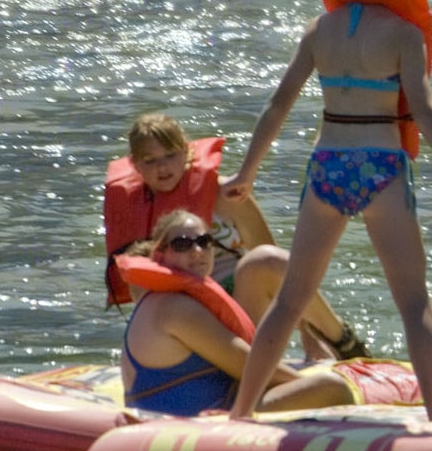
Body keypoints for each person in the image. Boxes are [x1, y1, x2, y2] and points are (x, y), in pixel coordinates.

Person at [222, 0, 432, 422]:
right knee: (414, 303)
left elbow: (278, 105)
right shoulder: (404, 34)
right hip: (381, 166)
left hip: (328, 167)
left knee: (292, 298)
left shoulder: (321, 29)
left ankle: (241, 414)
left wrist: (246, 173)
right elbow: (424, 111)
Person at [102, 112, 363, 362]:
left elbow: (280, 273)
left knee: (264, 261)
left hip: (238, 304)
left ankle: (340, 339)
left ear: (186, 152)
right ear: (135, 164)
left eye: (170, 155)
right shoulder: (130, 208)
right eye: (150, 160)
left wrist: (308, 333)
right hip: (180, 317)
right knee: (139, 275)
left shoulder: (227, 195)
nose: (162, 167)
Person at [118, 210, 364, 415]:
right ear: (159, 255)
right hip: (198, 419)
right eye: (182, 244)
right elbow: (249, 367)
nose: (197, 251)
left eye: (204, 242)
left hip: (218, 403)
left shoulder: (173, 298)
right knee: (332, 388)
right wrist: (309, 385)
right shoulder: (175, 308)